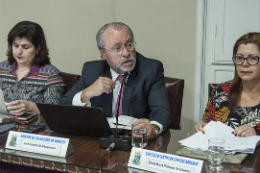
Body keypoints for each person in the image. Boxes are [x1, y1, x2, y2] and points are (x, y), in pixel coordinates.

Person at [59, 22, 171, 139]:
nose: (126, 53)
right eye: (117, 48)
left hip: (136, 140)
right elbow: (60, 110)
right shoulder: (92, 71)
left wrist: (153, 128)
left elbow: (161, 111)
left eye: (129, 44)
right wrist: (86, 94)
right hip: (101, 140)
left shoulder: (150, 70)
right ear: (103, 53)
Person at [195, 32, 260, 137]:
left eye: (252, 58)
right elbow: (208, 123)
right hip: (221, 152)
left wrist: (256, 133)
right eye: (240, 57)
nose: (244, 64)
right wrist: (203, 127)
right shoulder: (220, 91)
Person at [0, 21, 65, 116]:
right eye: (16, 46)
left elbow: (54, 112)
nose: (19, 52)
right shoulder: (2, 68)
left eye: (25, 47)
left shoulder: (51, 75)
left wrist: (31, 107)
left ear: (38, 49)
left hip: (32, 128)